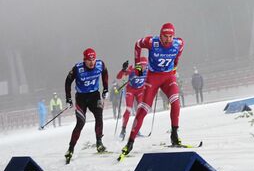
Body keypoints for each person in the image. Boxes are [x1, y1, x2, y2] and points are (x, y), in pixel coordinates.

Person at [119, 22, 184, 160]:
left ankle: (174, 134)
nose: (167, 39)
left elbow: (178, 55)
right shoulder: (151, 42)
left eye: (170, 36)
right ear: (160, 35)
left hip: (167, 77)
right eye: (165, 36)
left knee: (176, 102)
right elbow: (137, 44)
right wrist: (136, 66)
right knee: (143, 109)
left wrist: (175, 65)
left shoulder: (179, 43)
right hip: (153, 78)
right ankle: (130, 142)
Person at [64, 48, 109, 163]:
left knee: (99, 117)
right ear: (84, 60)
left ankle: (99, 143)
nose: (91, 62)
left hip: (95, 96)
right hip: (81, 98)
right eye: (89, 60)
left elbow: (105, 73)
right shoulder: (77, 68)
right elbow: (68, 81)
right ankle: (70, 149)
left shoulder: (100, 64)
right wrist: (68, 98)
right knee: (81, 123)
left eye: (93, 59)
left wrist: (106, 89)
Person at [119, 57, 148, 140]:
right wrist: (123, 70)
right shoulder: (133, 68)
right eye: (141, 65)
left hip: (140, 91)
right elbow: (119, 77)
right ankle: (123, 129)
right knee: (128, 109)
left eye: (145, 65)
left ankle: (136, 129)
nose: (143, 67)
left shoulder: (148, 69)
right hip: (130, 90)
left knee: (140, 109)